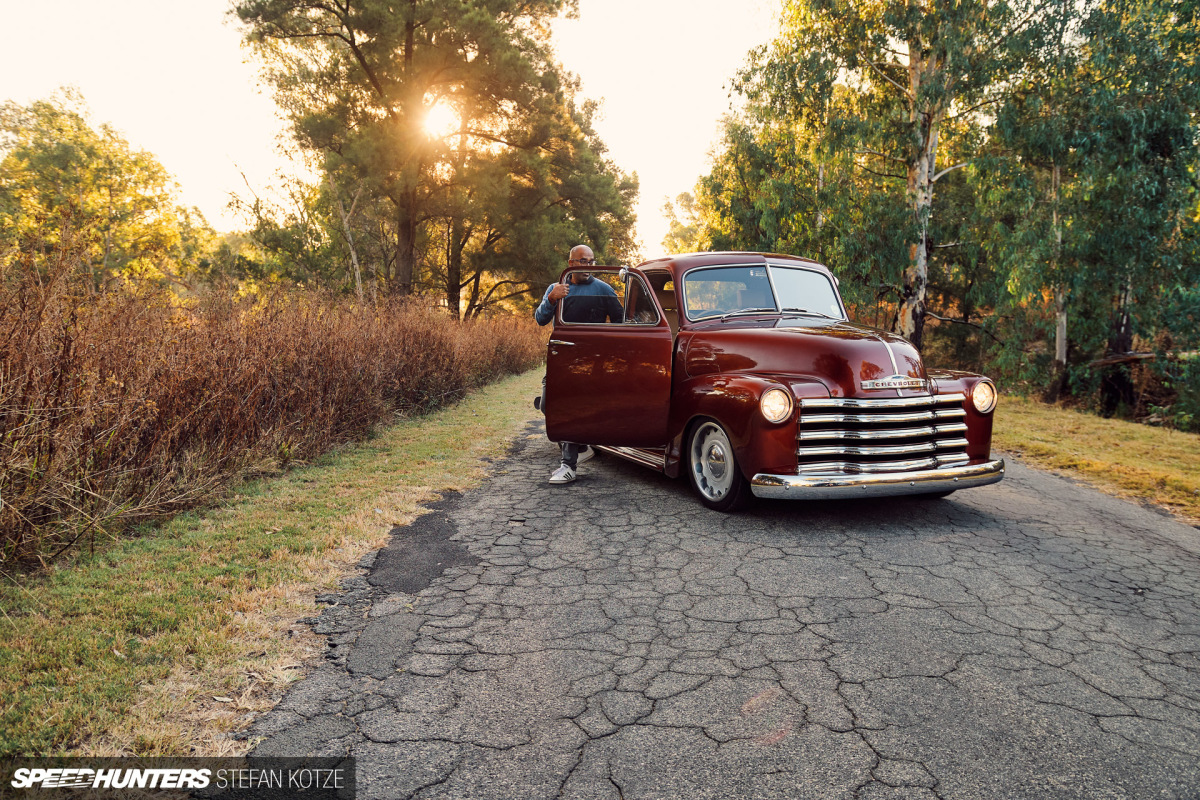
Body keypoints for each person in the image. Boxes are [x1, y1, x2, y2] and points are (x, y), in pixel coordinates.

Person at [533, 244, 621, 485]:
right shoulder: (557, 288)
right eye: (583, 261)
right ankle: (581, 447)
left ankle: (568, 465)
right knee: (548, 405)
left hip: (591, 360)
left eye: (592, 261)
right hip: (562, 357)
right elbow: (540, 319)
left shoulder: (603, 289)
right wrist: (551, 298)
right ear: (571, 263)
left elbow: (620, 321)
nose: (589, 266)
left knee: (571, 407)